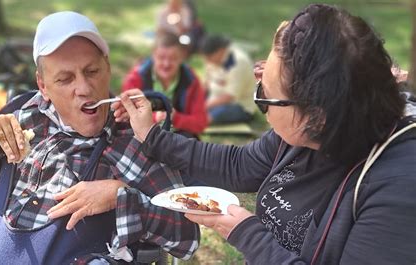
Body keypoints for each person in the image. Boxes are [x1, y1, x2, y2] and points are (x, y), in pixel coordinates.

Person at [113, 4, 416, 264]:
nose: (258, 98)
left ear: (317, 118)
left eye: (264, 97)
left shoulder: (399, 190)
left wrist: (247, 233)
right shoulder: (314, 127)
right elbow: (239, 166)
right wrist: (152, 136)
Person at [0, 11, 199, 264]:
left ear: (108, 68)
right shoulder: (19, 119)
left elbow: (187, 238)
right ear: (43, 86)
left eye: (92, 71)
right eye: (65, 79)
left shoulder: (135, 140)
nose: (83, 88)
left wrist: (121, 197)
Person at [121, 31, 208, 139]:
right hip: (143, 136)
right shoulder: (136, 78)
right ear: (153, 55)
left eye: (173, 58)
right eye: (161, 58)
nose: (166, 64)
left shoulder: (191, 80)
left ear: (181, 57)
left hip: (179, 137)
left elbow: (201, 123)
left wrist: (175, 118)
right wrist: (154, 117)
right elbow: (126, 116)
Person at [199, 34, 256, 124]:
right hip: (214, 99)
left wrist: (204, 106)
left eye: (209, 58)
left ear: (220, 51)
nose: (207, 62)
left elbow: (230, 96)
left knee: (212, 115)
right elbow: (206, 83)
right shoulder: (211, 59)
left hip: (238, 105)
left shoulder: (238, 62)